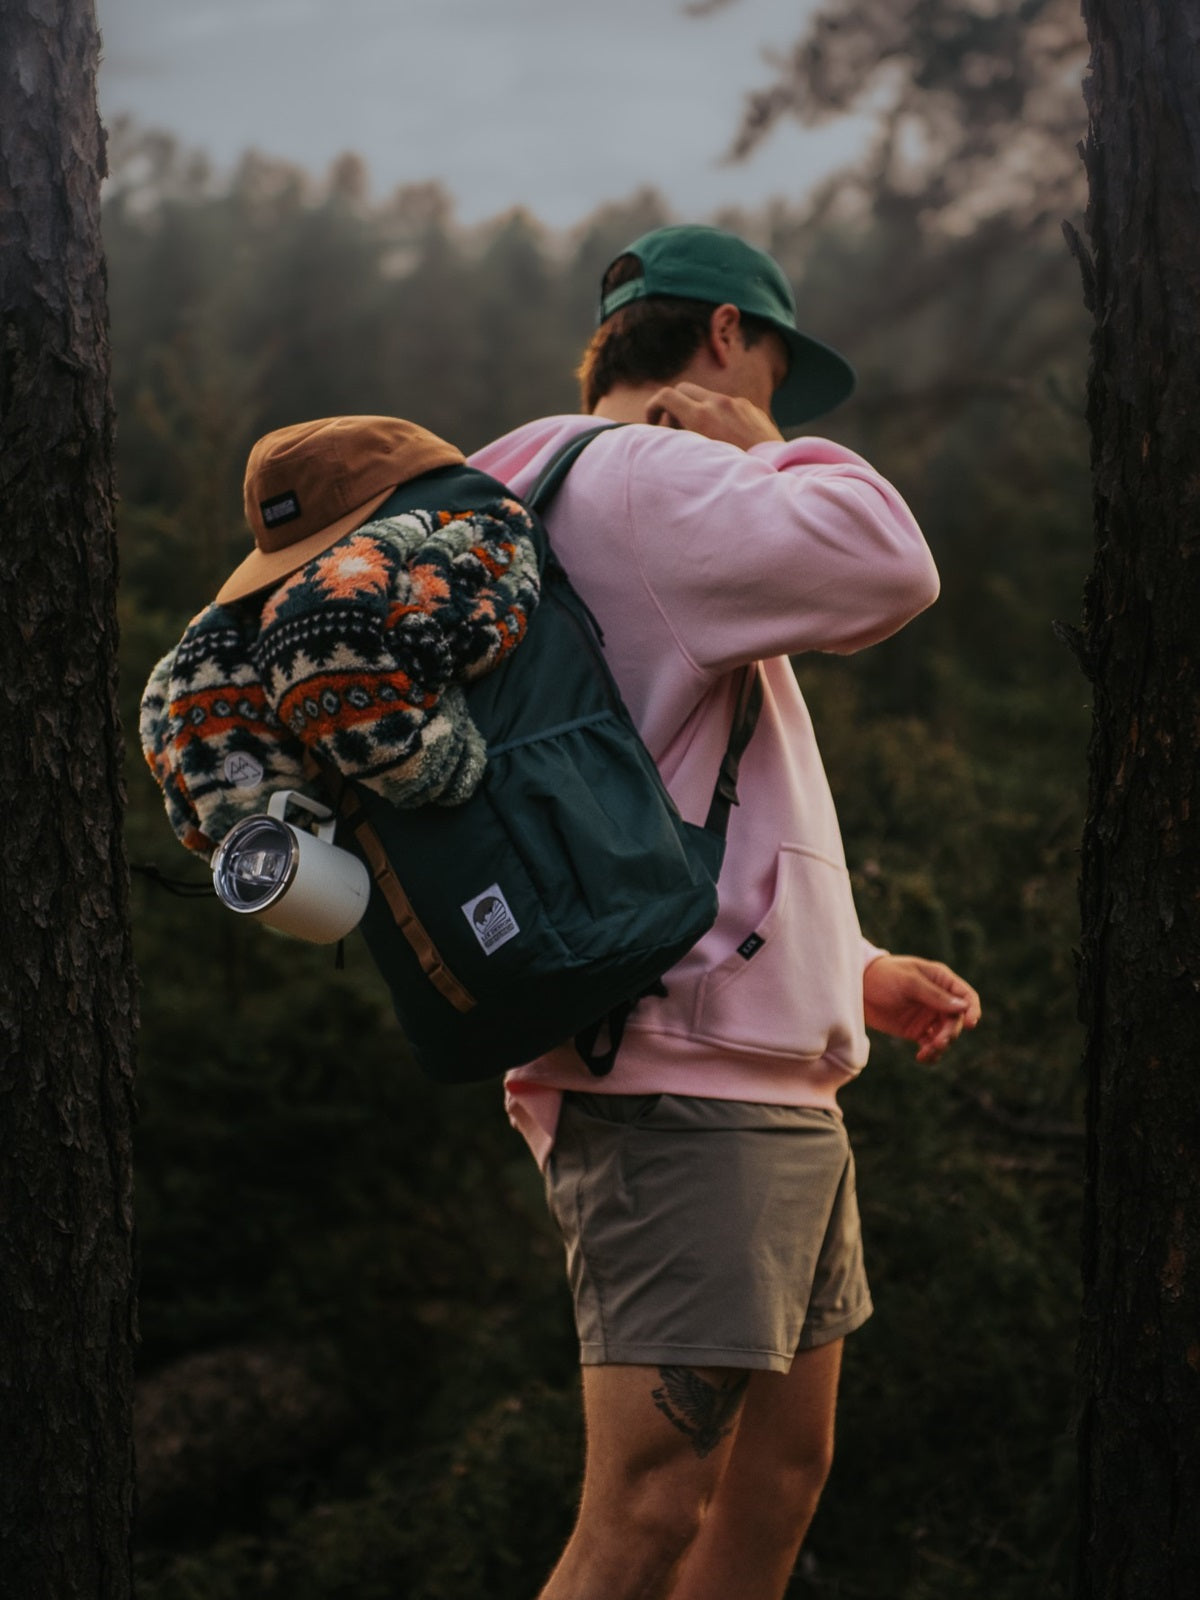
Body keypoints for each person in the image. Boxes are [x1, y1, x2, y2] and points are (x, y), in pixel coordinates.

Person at [469, 224, 982, 1600]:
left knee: (773, 1481)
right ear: (721, 338)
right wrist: (764, 444)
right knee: (647, 1509)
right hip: (686, 1083)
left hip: (746, 1059)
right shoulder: (650, 479)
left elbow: (674, 779)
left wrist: (846, 964)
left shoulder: (536, 493)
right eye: (765, 362)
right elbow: (890, 564)